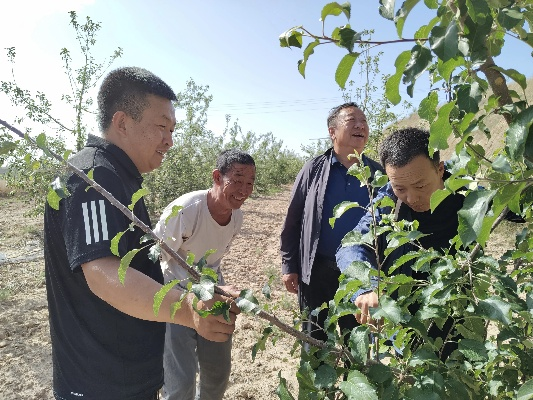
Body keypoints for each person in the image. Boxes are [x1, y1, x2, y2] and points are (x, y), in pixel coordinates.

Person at [44, 67, 238, 400]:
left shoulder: (119, 177)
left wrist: (201, 289)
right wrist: (188, 309)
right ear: (121, 122)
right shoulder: (93, 176)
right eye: (162, 127)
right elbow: (102, 271)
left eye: (173, 130)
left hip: (125, 378)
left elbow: (135, 267)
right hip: (99, 385)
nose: (170, 141)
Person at [336, 127, 521, 360]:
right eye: (400, 188)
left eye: (421, 186)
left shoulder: (468, 193)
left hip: (461, 319)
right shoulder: (387, 201)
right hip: (405, 326)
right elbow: (351, 247)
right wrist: (366, 287)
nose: (412, 198)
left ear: (440, 169)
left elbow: (516, 205)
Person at [154, 149, 255, 400]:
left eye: (250, 183)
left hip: (212, 291)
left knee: (218, 372)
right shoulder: (186, 210)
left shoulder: (236, 218)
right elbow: (156, 258)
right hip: (175, 294)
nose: (244, 189)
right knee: (180, 381)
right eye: (237, 180)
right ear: (217, 177)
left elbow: (214, 261)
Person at [280, 102, 383, 344]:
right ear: (332, 131)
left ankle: (353, 380)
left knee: (357, 343)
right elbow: (293, 219)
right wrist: (289, 265)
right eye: (351, 120)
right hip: (315, 270)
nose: (360, 125)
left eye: (364, 121)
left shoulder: (378, 174)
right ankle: (318, 383)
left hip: (359, 273)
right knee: (314, 341)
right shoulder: (313, 169)